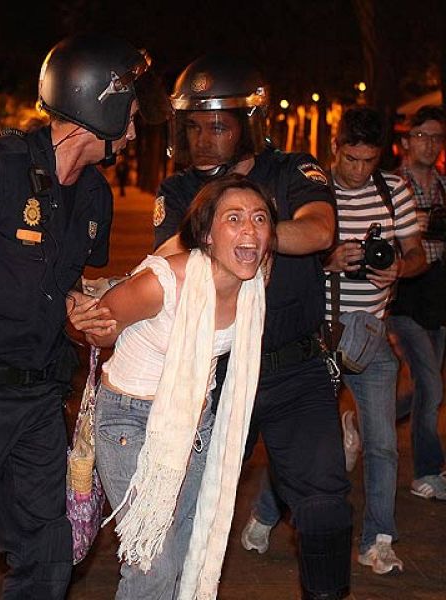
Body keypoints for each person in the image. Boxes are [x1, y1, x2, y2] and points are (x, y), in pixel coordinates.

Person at [0, 33, 169, 599]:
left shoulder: (96, 196)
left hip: (41, 399)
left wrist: (84, 307)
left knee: (48, 559)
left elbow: (63, 281)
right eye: (131, 115)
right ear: (99, 107)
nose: (136, 130)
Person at [155, 55, 353, 600]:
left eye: (216, 125)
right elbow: (167, 261)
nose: (202, 138)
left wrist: (247, 235)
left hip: (294, 369)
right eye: (193, 126)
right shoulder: (177, 190)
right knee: (185, 505)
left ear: (249, 123)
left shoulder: (292, 170)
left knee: (324, 505)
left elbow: (318, 231)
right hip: (212, 373)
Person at [72, 174, 273, 599]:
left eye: (259, 219)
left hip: (195, 427)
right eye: (233, 218)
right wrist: (89, 317)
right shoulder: (163, 282)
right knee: (152, 565)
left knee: (185, 555)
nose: (250, 230)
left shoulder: (254, 282)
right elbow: (100, 329)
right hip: (129, 422)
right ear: (205, 234)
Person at [246, 107, 426, 575]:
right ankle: (265, 515)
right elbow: (278, 257)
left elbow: (416, 255)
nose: (359, 170)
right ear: (335, 148)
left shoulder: (396, 191)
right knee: (300, 445)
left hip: (371, 334)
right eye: (351, 159)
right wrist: (328, 260)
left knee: (384, 444)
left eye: (369, 161)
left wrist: (400, 268)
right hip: (317, 338)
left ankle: (378, 540)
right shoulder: (306, 186)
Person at [388, 105, 446, 500]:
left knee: (426, 388)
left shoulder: (444, 185)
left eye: (437, 138)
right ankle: (428, 470)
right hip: (403, 293)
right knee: (430, 382)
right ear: (407, 142)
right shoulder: (392, 187)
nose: (429, 144)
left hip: (438, 294)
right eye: (422, 136)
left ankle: (367, 425)